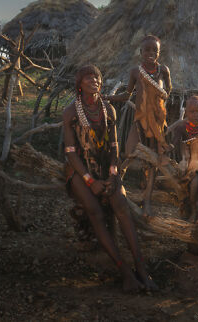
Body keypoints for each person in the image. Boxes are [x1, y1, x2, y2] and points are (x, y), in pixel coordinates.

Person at [63, 64, 157, 292]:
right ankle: (125, 272)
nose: (94, 81)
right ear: (79, 83)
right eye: (88, 78)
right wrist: (90, 181)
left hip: (106, 168)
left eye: (96, 77)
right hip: (79, 170)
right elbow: (70, 153)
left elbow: (115, 147)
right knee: (95, 211)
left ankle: (141, 268)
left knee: (121, 205)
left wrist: (113, 173)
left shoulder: (108, 110)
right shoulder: (71, 112)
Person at [106, 35, 171, 216]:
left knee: (152, 163)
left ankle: (147, 201)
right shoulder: (136, 71)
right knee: (129, 151)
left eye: (154, 51)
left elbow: (169, 90)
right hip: (140, 119)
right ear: (141, 52)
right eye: (147, 50)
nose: (151, 53)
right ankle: (116, 190)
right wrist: (108, 98)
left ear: (159, 53)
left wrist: (159, 102)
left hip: (157, 122)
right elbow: (127, 95)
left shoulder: (163, 70)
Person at [167, 96, 198, 224]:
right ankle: (192, 208)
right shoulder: (182, 128)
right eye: (192, 112)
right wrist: (167, 148)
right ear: (186, 112)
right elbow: (175, 142)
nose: (196, 115)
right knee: (194, 184)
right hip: (190, 169)